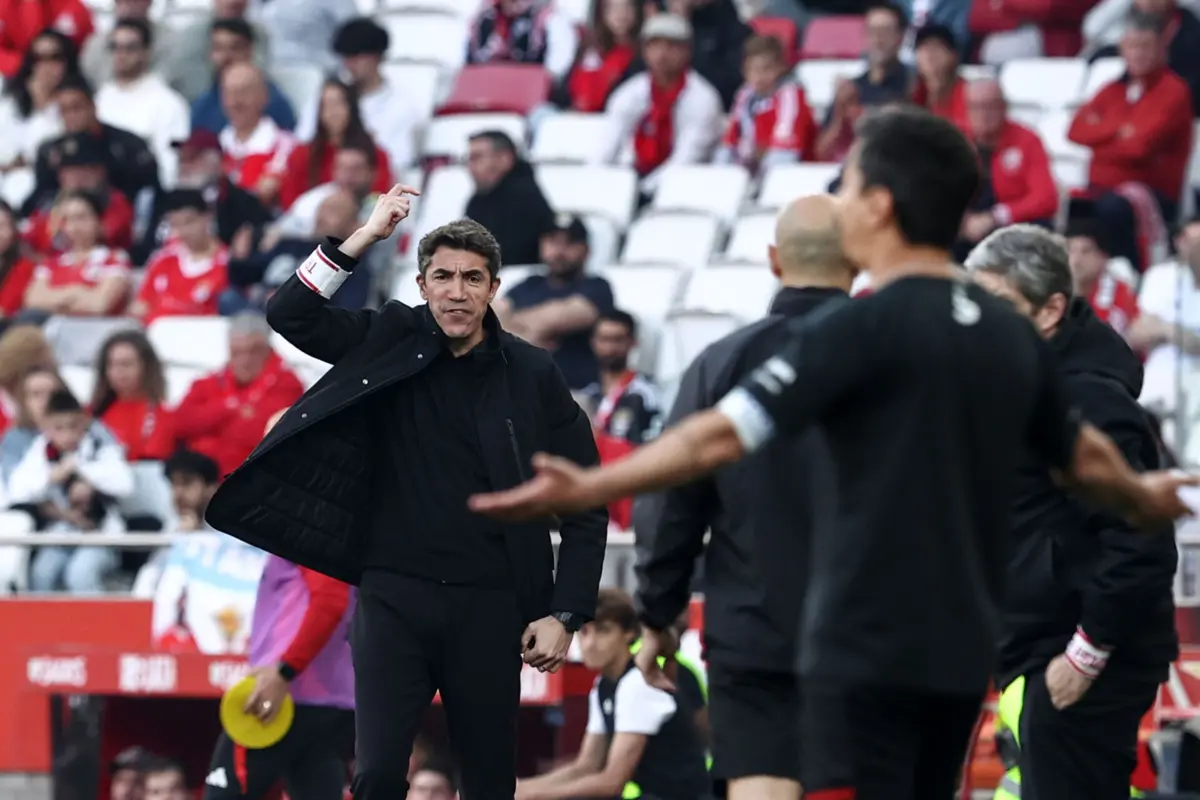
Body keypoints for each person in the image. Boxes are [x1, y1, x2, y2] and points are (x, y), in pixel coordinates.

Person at [468, 107, 1196, 799]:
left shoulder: (860, 330)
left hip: (863, 646)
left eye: (846, 184)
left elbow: (721, 434)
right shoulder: (1000, 334)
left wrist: (595, 483)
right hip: (959, 648)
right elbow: (1084, 456)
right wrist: (1144, 497)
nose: (839, 201)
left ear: (878, 205)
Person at [205, 188, 609, 800]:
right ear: (421, 285)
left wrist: (566, 613)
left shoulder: (531, 372)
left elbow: (586, 499)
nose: (457, 291)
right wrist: (364, 235)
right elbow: (291, 312)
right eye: (442, 276)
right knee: (375, 776)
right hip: (394, 596)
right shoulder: (389, 335)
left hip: (492, 603)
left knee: (490, 783)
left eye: (473, 278)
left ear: (494, 289)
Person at [633, 193, 854, 800]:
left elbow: (671, 501)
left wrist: (658, 614)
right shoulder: (899, 360)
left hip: (756, 632)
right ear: (855, 260)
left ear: (774, 260)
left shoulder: (722, 363)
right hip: (874, 631)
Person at [966, 225, 1177, 800]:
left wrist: (1083, 656)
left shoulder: (1090, 403)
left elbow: (1142, 543)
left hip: (1075, 653)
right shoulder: (1020, 385)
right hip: (1037, 644)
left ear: (1049, 310)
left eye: (998, 305)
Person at [203, 412, 355, 800]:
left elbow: (330, 602)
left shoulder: (306, 511)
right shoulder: (337, 509)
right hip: (328, 698)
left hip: (286, 695)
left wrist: (283, 672)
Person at [514, 588, 707, 800]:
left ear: (629, 633)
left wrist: (531, 794)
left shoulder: (638, 684)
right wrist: (519, 788)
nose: (591, 644)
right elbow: (586, 765)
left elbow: (612, 782)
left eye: (603, 631)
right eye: (585, 632)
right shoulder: (604, 684)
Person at [11, 387, 135, 593]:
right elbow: (17, 491)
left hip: (101, 534)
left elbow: (126, 484)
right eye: (58, 428)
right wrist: (52, 477)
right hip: (61, 532)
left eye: (73, 426)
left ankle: (96, 625)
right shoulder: (40, 450)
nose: (67, 435)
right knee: (42, 573)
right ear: (46, 427)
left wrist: (80, 468)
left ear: (84, 423)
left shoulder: (99, 446)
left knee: (80, 574)